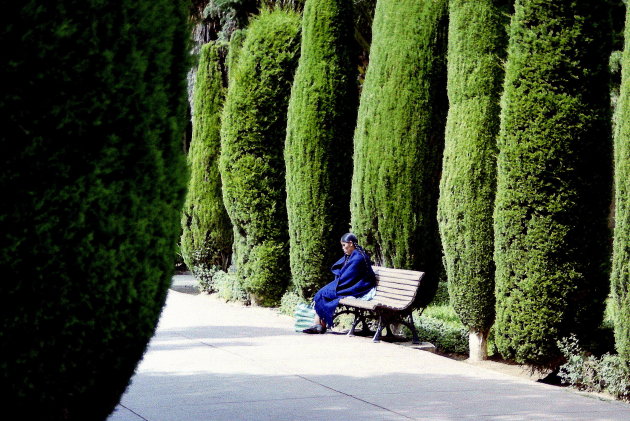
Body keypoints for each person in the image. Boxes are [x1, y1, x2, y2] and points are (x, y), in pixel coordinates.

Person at [302, 233, 376, 334]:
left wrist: (336, 285)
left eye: (344, 245)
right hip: (353, 284)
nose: (343, 248)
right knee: (322, 293)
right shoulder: (352, 255)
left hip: (360, 287)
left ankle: (319, 325)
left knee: (323, 294)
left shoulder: (358, 257)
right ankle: (319, 324)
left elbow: (348, 276)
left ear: (350, 243)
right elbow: (344, 272)